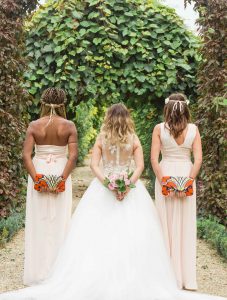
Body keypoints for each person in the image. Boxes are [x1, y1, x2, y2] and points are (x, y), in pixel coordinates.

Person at [0, 103, 225, 300]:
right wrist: (128, 184)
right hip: (130, 191)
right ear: (127, 118)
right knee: (134, 235)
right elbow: (140, 167)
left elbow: (94, 166)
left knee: (96, 235)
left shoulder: (102, 138)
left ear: (108, 117)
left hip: (103, 190)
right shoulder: (134, 139)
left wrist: (107, 182)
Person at [22, 87, 78, 285]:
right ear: (63, 104)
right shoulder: (69, 125)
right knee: (60, 220)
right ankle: (58, 272)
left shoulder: (34, 125)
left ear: (43, 103)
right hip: (60, 170)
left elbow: (26, 155)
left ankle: (38, 272)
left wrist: (38, 179)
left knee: (39, 220)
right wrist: (61, 179)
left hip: (39, 170)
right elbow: (73, 156)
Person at [151, 93, 202, 290]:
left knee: (165, 224)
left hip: (165, 174)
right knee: (185, 225)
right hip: (186, 172)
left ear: (167, 108)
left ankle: (165, 275)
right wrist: (188, 182)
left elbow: (154, 160)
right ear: (186, 108)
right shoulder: (194, 130)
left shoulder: (158, 129)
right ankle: (186, 278)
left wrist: (165, 182)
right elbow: (197, 159)